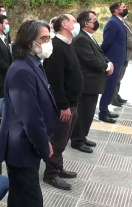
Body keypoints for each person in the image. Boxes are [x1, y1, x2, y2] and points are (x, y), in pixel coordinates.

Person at [0, 20, 58, 207]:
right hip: (21, 147)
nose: (48, 43)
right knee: (30, 199)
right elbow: (30, 117)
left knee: (20, 196)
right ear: (29, 41)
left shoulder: (34, 64)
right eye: (43, 38)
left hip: (28, 144)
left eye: (49, 38)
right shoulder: (21, 70)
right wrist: (44, 146)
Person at [42, 14, 83, 190]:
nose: (77, 24)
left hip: (72, 102)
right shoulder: (56, 47)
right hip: (64, 105)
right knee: (58, 140)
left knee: (63, 139)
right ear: (65, 24)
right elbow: (56, 81)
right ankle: (50, 174)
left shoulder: (68, 44)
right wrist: (63, 105)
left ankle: (58, 167)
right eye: (74, 21)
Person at [71, 11, 112, 153]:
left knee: (88, 113)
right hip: (87, 83)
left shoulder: (89, 37)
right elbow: (90, 59)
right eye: (93, 19)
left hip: (94, 83)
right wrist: (106, 66)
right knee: (83, 113)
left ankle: (83, 137)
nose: (96, 22)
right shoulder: (81, 39)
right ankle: (77, 140)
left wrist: (108, 63)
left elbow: (100, 55)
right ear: (85, 23)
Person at [99, 2, 127, 124]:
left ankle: (106, 109)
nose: (126, 9)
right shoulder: (113, 23)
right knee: (109, 87)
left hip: (118, 59)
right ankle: (103, 113)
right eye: (123, 8)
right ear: (116, 10)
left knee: (111, 87)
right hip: (113, 60)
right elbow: (107, 42)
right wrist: (103, 57)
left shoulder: (119, 21)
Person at [111, 16, 132, 106]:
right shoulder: (117, 24)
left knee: (119, 78)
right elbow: (125, 38)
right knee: (116, 77)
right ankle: (112, 98)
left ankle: (116, 95)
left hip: (125, 55)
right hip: (121, 55)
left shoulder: (123, 23)